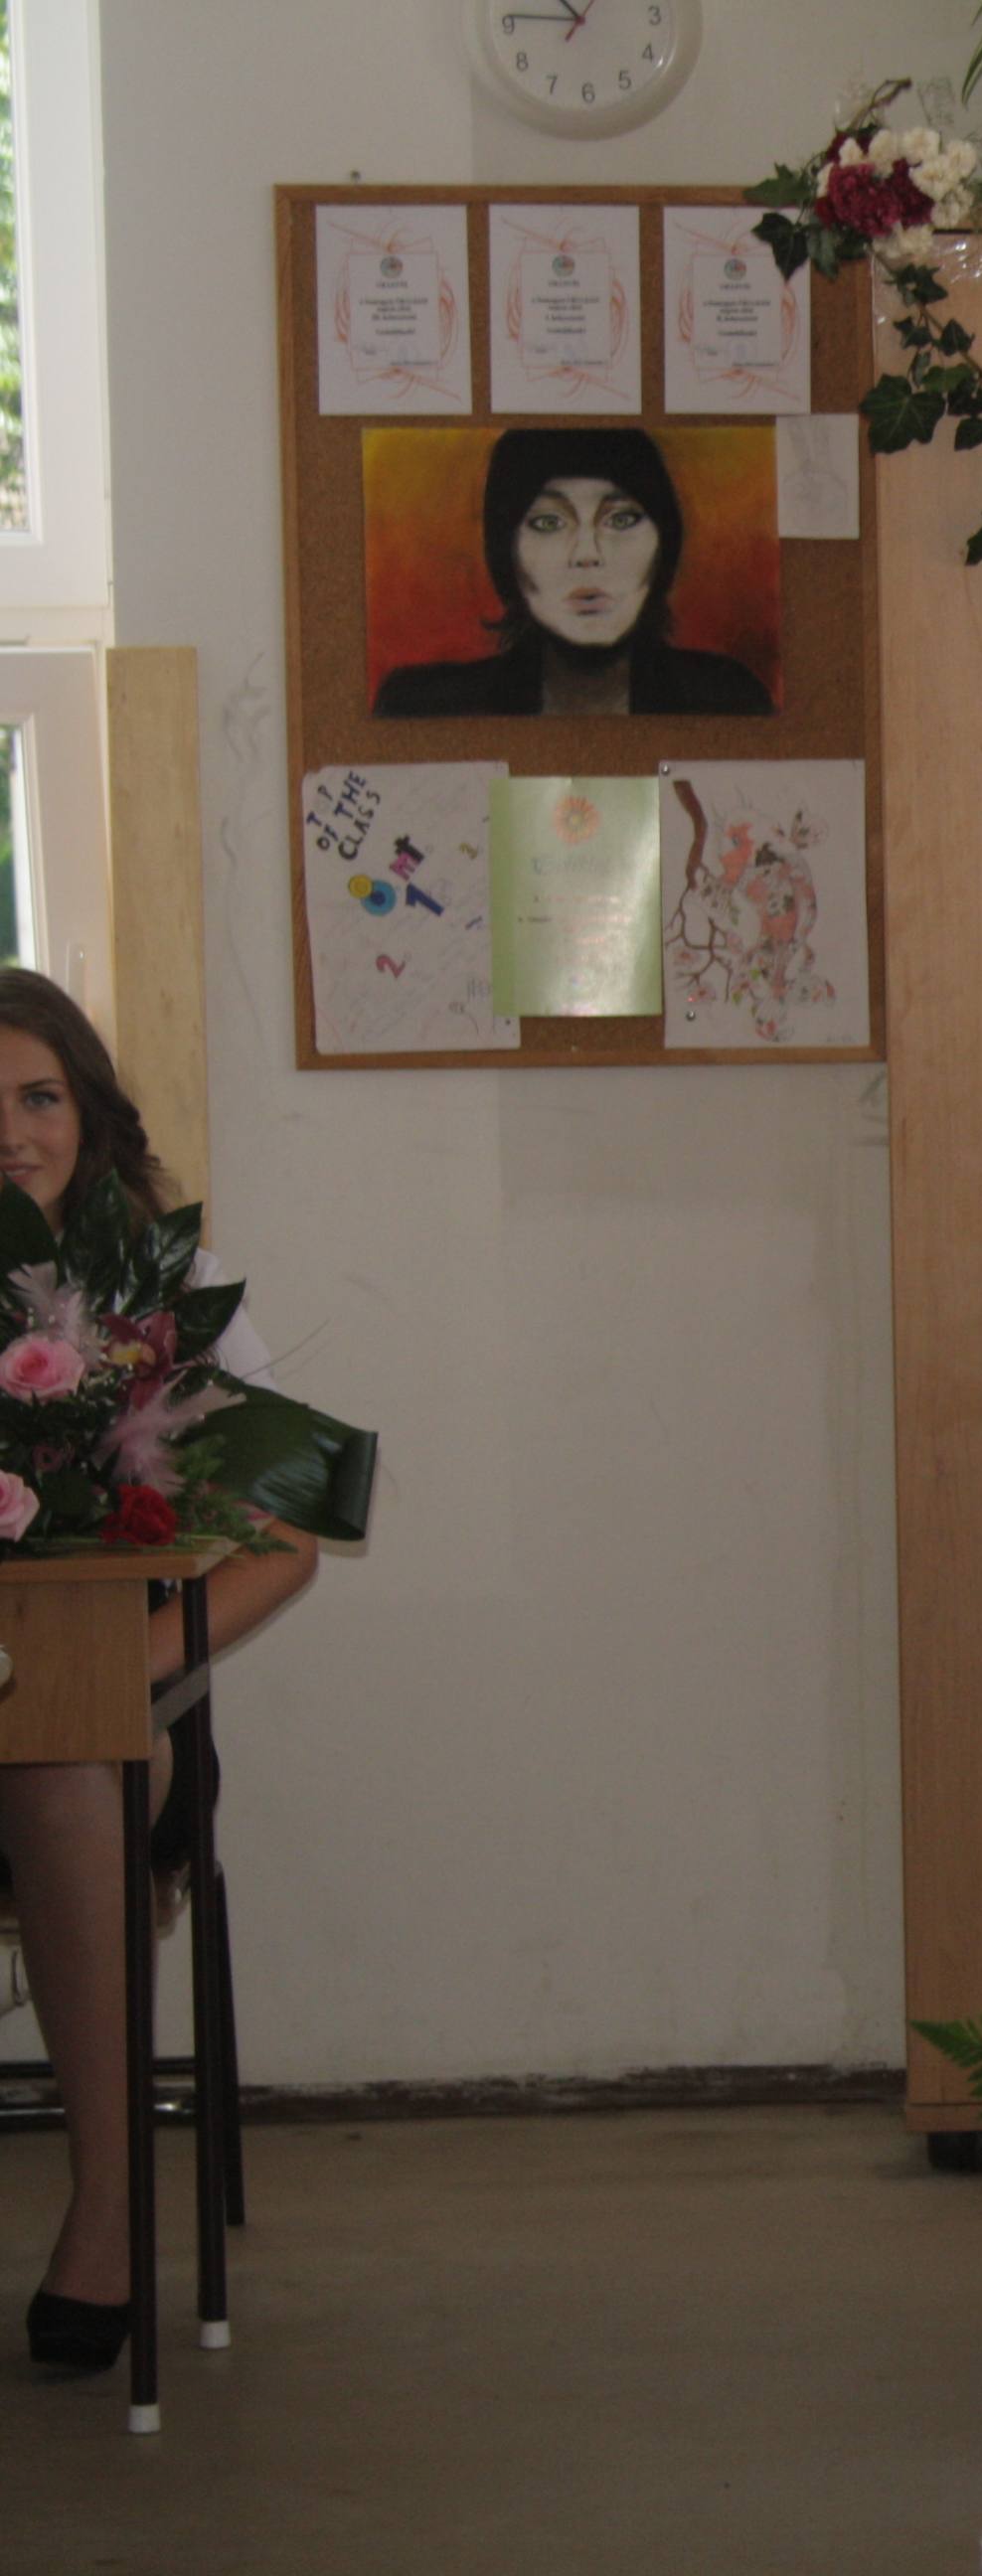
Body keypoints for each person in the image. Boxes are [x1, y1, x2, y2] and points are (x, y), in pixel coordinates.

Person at [0, 973, 320, 2371]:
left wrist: (106, 1675)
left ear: (89, 1111)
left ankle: (110, 2210)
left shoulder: (165, 1290)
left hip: (109, 1717)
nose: (12, 1133)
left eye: (37, 1096)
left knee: (65, 1762)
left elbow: (286, 1544)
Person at [372, 426, 773, 719]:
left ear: (665, 544)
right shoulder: (423, 706)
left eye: (620, 520)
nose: (587, 555)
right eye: (548, 523)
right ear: (505, 551)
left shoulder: (728, 698)